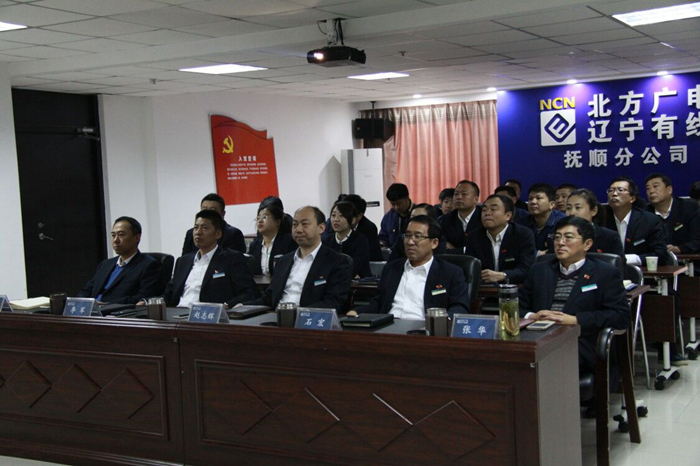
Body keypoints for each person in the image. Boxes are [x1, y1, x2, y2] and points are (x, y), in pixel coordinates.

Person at [519, 216, 630, 373]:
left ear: (587, 244)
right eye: (557, 237)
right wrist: (533, 316)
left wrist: (576, 320)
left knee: (549, 357)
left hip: (581, 341)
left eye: (568, 237)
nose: (560, 242)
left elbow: (621, 316)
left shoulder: (605, 273)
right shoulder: (539, 270)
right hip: (538, 337)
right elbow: (517, 307)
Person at [351, 215, 470, 318]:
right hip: (389, 327)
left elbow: (459, 308)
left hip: (425, 329)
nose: (410, 242)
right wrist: (356, 312)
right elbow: (378, 303)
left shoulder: (450, 273)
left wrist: (439, 323)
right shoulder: (392, 268)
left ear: (434, 243)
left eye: (418, 236)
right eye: (407, 236)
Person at [243, 206, 351, 311]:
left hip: (309, 318)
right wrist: (243, 307)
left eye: (305, 224)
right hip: (277, 317)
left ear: (321, 228)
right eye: (295, 224)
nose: (298, 229)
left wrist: (298, 313)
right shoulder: (283, 261)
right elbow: (269, 298)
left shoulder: (337, 261)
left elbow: (334, 302)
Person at [165, 210, 259, 309]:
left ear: (218, 234)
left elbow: (250, 293)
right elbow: (168, 294)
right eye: (196, 227)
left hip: (208, 314)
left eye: (204, 228)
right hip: (178, 313)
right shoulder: (183, 261)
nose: (198, 232)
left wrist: (226, 305)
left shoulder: (232, 259)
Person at [77, 216, 160, 304]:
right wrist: (79, 302)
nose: (115, 240)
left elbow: (142, 298)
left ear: (136, 237)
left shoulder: (148, 265)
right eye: (113, 235)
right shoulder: (105, 264)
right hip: (93, 310)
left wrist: (107, 305)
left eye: (121, 235)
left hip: (116, 311)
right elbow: (86, 290)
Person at [465, 194, 536, 284]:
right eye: (484, 210)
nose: (487, 213)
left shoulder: (523, 234)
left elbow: (526, 269)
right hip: (484, 288)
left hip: (515, 287)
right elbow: (470, 269)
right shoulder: (474, 237)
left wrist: (503, 275)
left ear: (508, 215)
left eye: (493, 209)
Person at [604, 176, 668, 266]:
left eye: (620, 190)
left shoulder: (649, 220)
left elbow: (661, 254)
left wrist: (629, 259)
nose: (614, 194)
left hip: (642, 271)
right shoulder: (602, 219)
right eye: (611, 190)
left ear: (632, 198)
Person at [557, 188, 624, 257]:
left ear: (594, 211)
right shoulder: (558, 237)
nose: (572, 213)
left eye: (578, 207)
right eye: (568, 208)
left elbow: (619, 263)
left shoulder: (610, 237)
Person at [645, 173, 700, 255]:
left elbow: (697, 240)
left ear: (669, 190)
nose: (651, 191)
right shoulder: (645, 213)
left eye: (655, 186)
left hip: (687, 258)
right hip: (657, 259)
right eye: (648, 188)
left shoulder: (689, 208)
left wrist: (679, 249)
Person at [181, 193, 245, 255]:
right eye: (204, 210)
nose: (208, 214)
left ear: (223, 214)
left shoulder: (233, 234)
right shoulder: (191, 233)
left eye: (213, 211)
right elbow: (185, 259)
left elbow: (234, 259)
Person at [322, 201, 371, 278]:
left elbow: (354, 268)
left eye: (341, 216)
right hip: (331, 282)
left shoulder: (360, 241)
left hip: (358, 283)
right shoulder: (325, 241)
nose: (336, 219)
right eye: (333, 215)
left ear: (353, 220)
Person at [247, 205, 296, 276]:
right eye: (258, 218)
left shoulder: (289, 242)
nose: (260, 221)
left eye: (264, 217)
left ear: (277, 222)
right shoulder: (254, 246)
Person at [517, 183, 565, 255]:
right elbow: (517, 249)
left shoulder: (562, 221)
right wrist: (539, 254)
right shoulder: (522, 222)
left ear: (552, 204)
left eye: (538, 198)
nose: (533, 202)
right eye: (530, 199)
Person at [439, 180, 482, 253]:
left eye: (464, 194)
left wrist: (458, 250)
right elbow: (442, 247)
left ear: (476, 199)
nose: (458, 197)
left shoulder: (483, 217)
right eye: (456, 194)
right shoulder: (445, 219)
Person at [379, 183, 414, 248]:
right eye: (393, 204)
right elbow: (383, 237)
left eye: (399, 204)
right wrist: (382, 244)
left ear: (407, 198)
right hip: (393, 252)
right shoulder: (388, 217)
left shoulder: (419, 212)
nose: (396, 207)